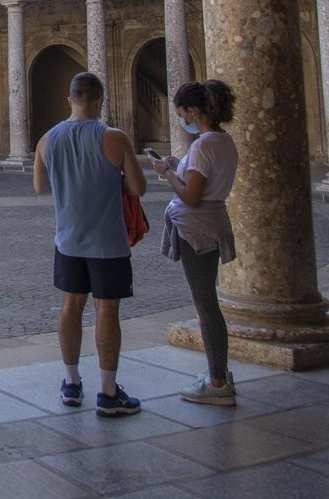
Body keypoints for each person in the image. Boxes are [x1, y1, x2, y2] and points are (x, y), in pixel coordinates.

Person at [33, 71, 148, 416]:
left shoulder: (46, 140)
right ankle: (109, 392)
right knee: (108, 311)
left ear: (70, 100)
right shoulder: (114, 138)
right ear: (99, 100)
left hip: (68, 240)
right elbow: (138, 188)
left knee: (71, 307)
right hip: (108, 243)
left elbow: (40, 187)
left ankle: (71, 383)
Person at [149, 79, 240, 406]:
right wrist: (178, 166)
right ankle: (219, 371)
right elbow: (203, 182)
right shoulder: (223, 142)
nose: (181, 119)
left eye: (181, 113)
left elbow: (192, 195)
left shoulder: (203, 146)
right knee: (208, 303)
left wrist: (165, 172)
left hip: (197, 229)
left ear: (192, 110)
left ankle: (217, 381)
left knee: (206, 305)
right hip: (211, 223)